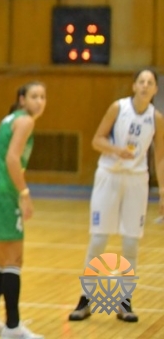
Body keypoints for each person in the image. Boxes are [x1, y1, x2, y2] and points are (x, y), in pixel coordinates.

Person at [68, 69, 163, 323]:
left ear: (155, 89)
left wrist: (163, 192)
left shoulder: (156, 118)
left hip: (137, 181)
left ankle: (125, 302)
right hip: (109, 176)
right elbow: (96, 140)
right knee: (98, 240)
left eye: (150, 82)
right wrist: (116, 150)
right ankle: (85, 300)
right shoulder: (118, 108)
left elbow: (160, 157)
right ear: (134, 86)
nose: (145, 86)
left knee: (131, 244)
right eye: (141, 81)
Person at [0, 82, 46, 339]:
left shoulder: (9, 120)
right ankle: (13, 327)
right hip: (3, 194)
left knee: (3, 262)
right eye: (34, 96)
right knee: (14, 261)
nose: (40, 101)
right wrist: (24, 194)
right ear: (22, 99)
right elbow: (12, 159)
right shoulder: (25, 121)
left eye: (43, 97)